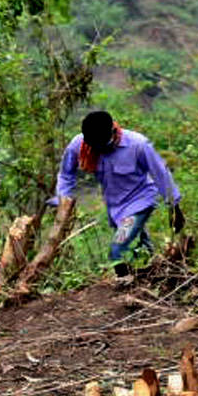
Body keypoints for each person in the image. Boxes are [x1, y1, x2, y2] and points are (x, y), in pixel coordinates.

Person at [53, 110, 183, 275]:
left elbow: (161, 173)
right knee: (139, 248)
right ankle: (156, 272)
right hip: (115, 207)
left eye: (100, 144)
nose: (96, 149)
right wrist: (62, 202)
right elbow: (66, 174)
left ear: (113, 133)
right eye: (93, 145)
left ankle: (125, 289)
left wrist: (174, 206)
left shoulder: (138, 145)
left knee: (117, 250)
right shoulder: (80, 145)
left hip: (140, 201)